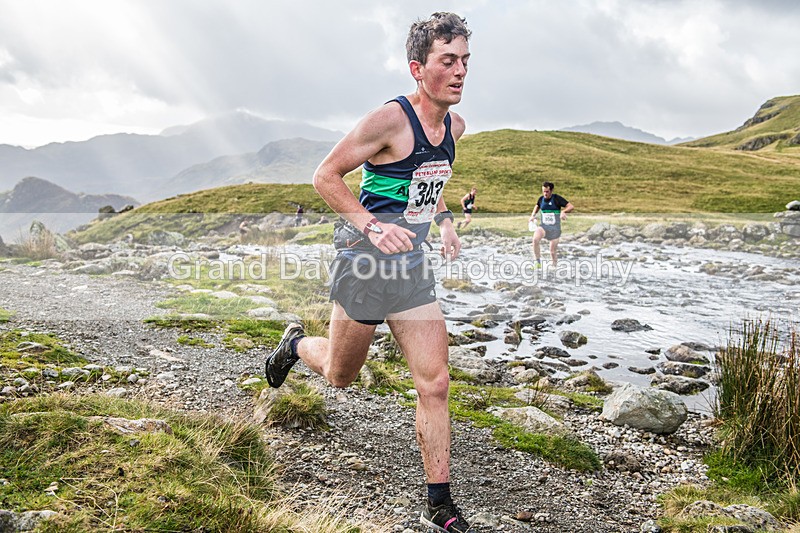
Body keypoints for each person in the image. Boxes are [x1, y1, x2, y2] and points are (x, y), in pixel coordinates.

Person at [264, 12, 473, 532]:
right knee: (341, 375)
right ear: (417, 68)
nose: (460, 71)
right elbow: (325, 175)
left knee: (436, 381)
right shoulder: (389, 120)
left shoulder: (455, 127)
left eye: (465, 61)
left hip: (411, 270)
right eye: (448, 61)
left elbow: (432, 177)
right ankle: (294, 346)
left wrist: (444, 222)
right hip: (364, 263)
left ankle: (440, 505)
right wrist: (371, 225)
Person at [529, 181, 574, 267]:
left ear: (551, 190)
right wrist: (532, 216)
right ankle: (537, 263)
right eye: (544, 191)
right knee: (535, 239)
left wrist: (563, 211)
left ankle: (554, 268)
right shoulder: (541, 199)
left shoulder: (557, 199)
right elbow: (537, 206)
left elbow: (571, 206)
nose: (545, 194)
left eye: (547, 191)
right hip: (544, 227)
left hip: (555, 229)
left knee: (552, 252)